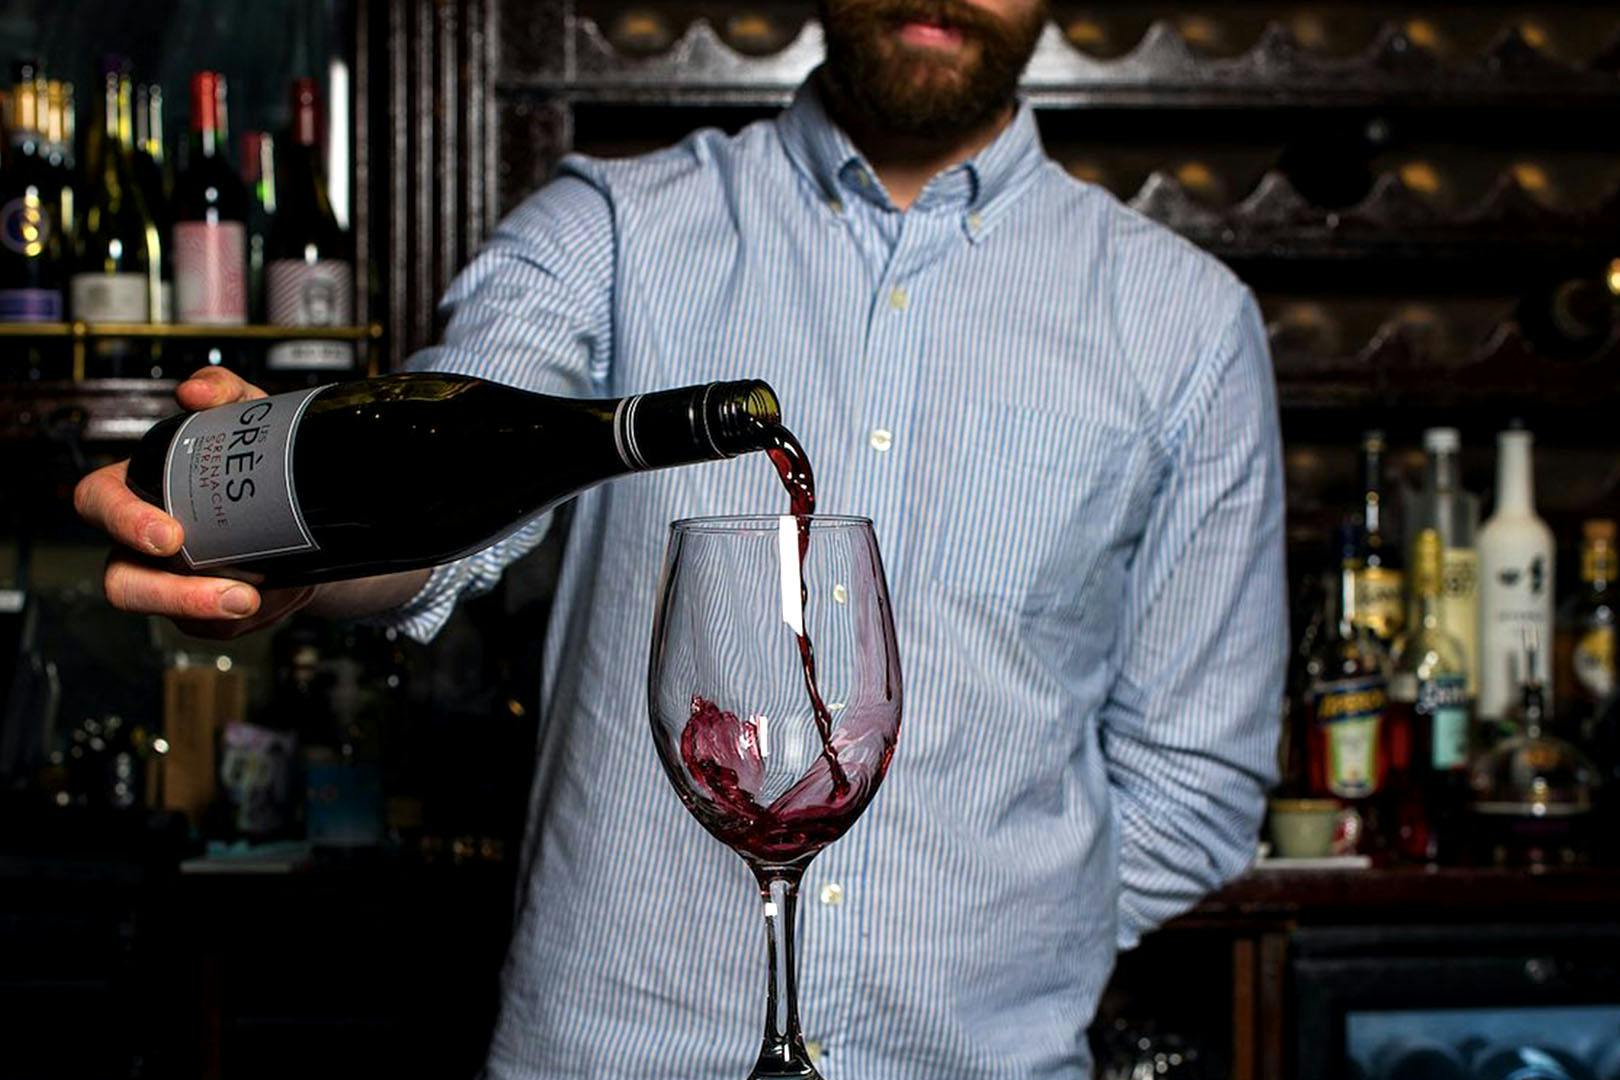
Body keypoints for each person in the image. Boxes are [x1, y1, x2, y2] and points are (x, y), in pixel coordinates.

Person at [74, 0, 1287, 1074]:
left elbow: (1198, 782)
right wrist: (303, 552)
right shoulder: (612, 227)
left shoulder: (1182, 322)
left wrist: (995, 953)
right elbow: (442, 505)